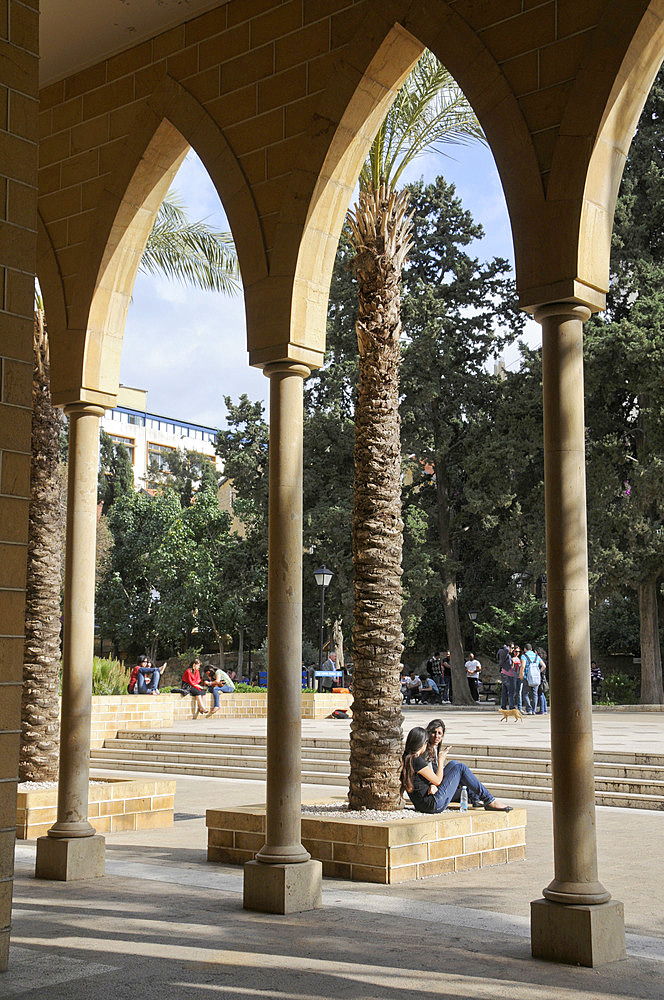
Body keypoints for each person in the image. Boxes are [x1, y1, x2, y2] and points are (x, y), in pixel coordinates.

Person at [400, 725, 512, 814]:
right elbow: (438, 780)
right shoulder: (417, 760)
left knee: (454, 764)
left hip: (426, 803)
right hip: (433, 804)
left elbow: (421, 781)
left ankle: (477, 797)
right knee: (460, 767)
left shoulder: (407, 758)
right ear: (422, 743)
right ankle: (489, 800)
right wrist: (441, 759)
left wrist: (431, 785)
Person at [424, 718, 480, 807]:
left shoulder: (434, 747)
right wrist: (441, 760)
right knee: (459, 770)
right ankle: (476, 797)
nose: (436, 736)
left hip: (438, 780)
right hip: (434, 786)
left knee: (454, 764)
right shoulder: (425, 749)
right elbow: (429, 773)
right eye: (434, 732)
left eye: (439, 733)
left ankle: (474, 797)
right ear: (428, 733)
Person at [521, 643, 544, 715]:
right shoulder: (536, 656)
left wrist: (521, 674)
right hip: (536, 677)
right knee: (535, 694)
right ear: (531, 649)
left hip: (527, 677)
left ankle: (529, 709)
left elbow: (523, 666)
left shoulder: (524, 656)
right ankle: (534, 710)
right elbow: (544, 666)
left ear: (525, 649)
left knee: (525, 693)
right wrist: (538, 672)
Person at [498, 641, 516, 709]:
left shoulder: (505, 654)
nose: (513, 649)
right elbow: (506, 650)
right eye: (512, 647)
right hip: (508, 675)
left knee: (504, 691)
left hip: (505, 674)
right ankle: (511, 706)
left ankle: (503, 706)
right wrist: (506, 646)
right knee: (511, 691)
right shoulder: (504, 653)